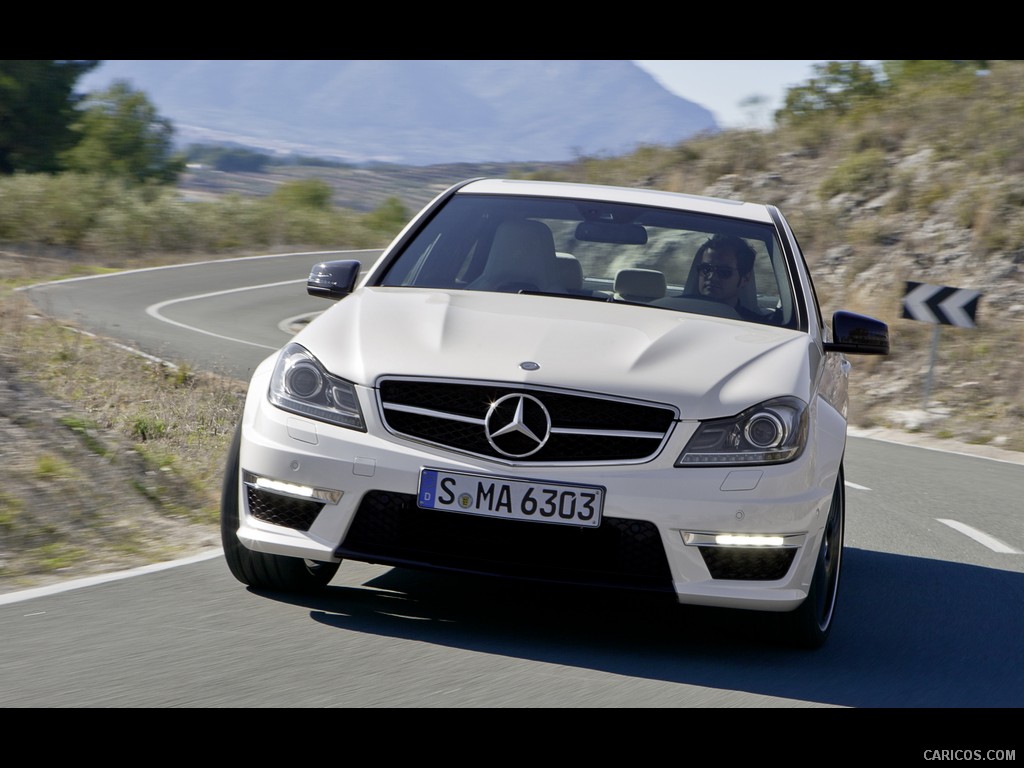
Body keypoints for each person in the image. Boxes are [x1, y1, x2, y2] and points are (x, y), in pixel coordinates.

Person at [692, 234, 776, 323]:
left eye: (723, 271)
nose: (712, 277)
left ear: (745, 279)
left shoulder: (757, 327)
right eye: (706, 269)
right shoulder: (677, 309)